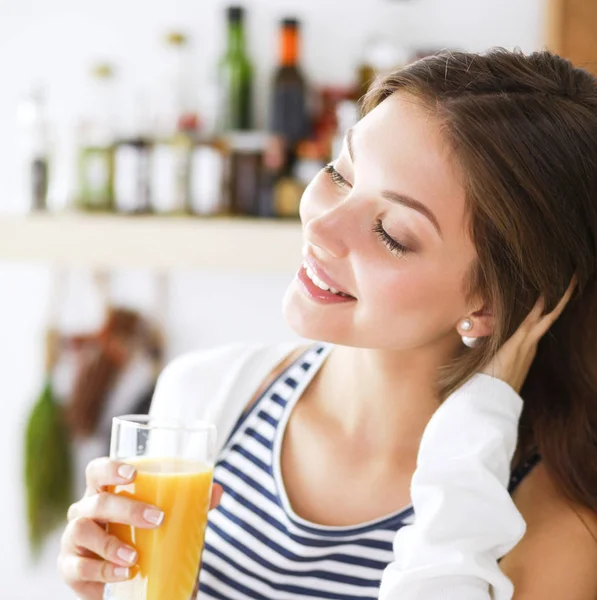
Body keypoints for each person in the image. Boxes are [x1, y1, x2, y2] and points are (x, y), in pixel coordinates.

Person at [58, 48, 597, 600]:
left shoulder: (548, 532)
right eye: (340, 174)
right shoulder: (203, 395)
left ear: (488, 303)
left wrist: (478, 427)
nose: (322, 227)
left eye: (391, 232)